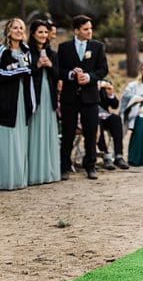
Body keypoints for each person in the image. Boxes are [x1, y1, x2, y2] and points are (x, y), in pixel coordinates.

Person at [57, 15, 108, 181]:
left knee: (91, 132)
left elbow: (103, 69)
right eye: (86, 29)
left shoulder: (97, 46)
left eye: (91, 28)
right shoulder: (64, 47)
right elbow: (59, 70)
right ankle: (64, 166)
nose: (89, 32)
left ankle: (90, 166)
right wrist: (71, 74)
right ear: (76, 30)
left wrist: (89, 77)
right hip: (69, 97)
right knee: (68, 132)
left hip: (90, 97)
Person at [26, 19, 61, 184]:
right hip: (35, 96)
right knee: (36, 131)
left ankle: (50, 171)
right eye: (40, 32)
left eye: (46, 32)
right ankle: (34, 172)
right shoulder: (27, 53)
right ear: (33, 34)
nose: (43, 35)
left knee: (48, 131)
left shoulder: (53, 53)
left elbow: (58, 77)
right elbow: (25, 76)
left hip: (50, 96)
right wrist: (37, 65)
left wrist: (51, 66)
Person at [0, 19, 33, 190]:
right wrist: (18, 71)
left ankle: (19, 178)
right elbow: (1, 74)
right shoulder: (3, 51)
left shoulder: (26, 51)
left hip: (22, 99)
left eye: (21, 28)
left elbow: (31, 74)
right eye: (15, 27)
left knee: (20, 137)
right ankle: (6, 179)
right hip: (7, 100)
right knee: (7, 138)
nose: (18, 30)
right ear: (8, 30)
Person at [96, 78, 129, 171]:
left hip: (105, 115)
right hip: (92, 117)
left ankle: (118, 156)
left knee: (116, 119)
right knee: (96, 122)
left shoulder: (105, 83)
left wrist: (110, 94)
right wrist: (97, 88)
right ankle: (106, 156)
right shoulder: (89, 83)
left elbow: (115, 105)